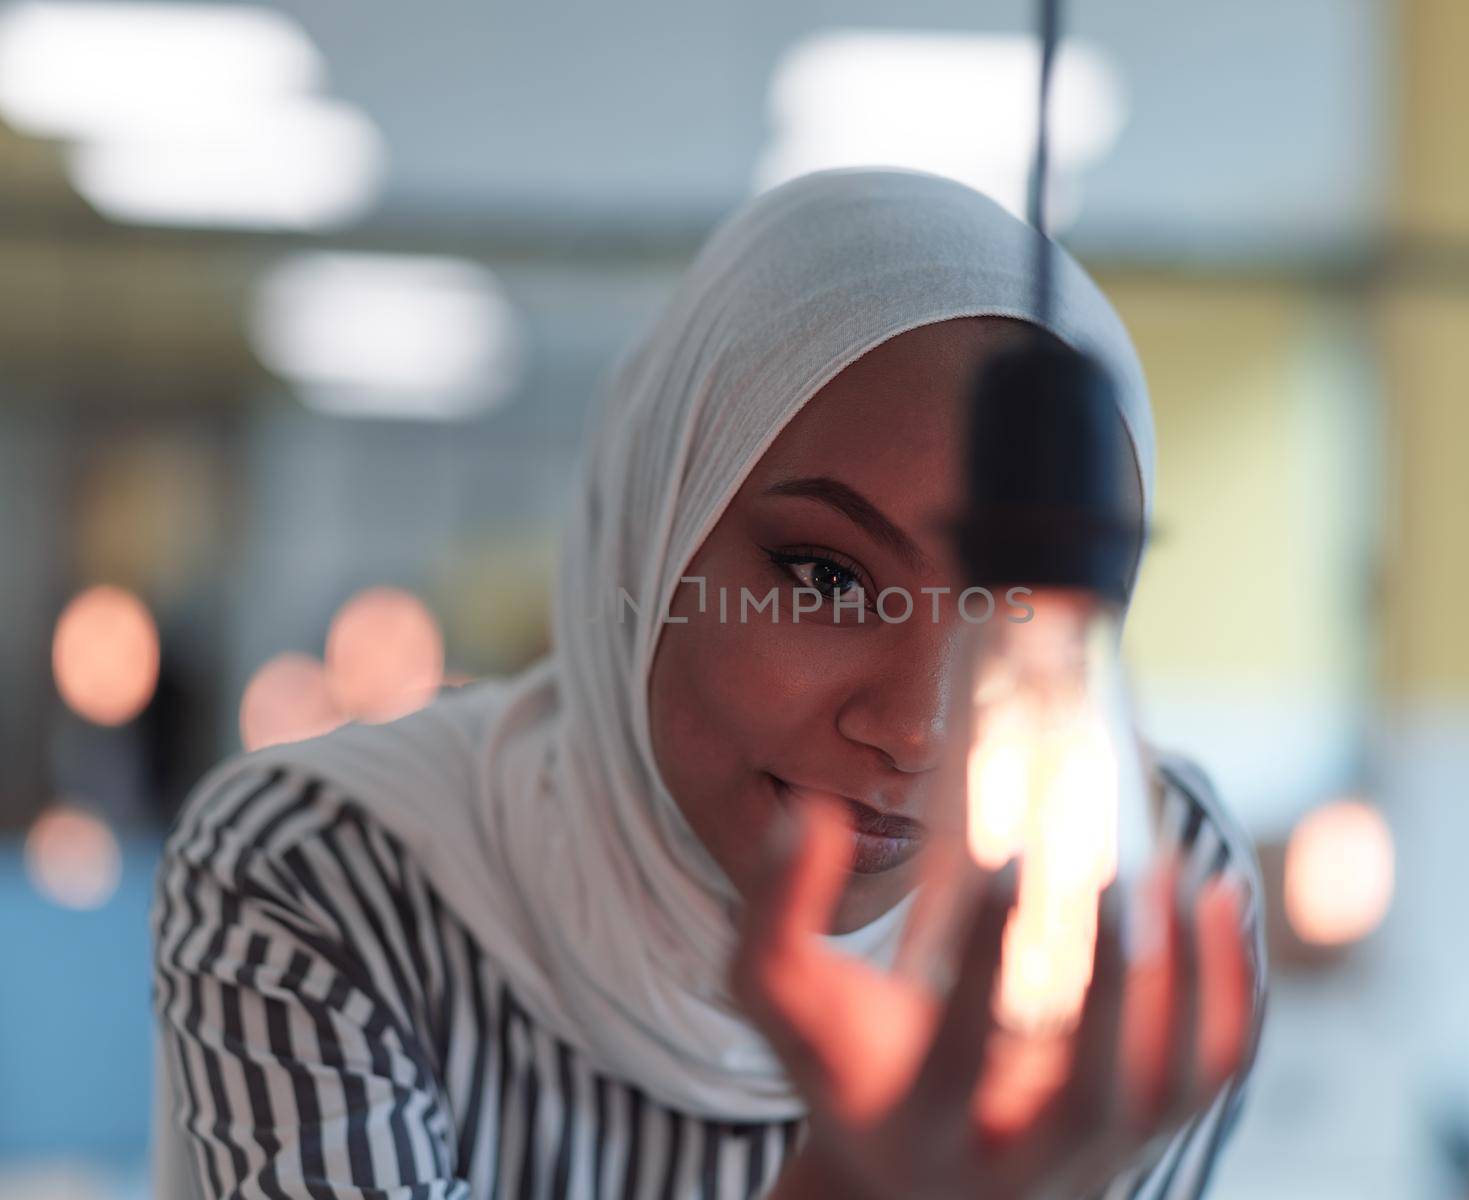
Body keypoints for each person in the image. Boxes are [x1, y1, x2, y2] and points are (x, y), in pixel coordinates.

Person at [151, 168, 1267, 1199]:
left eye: (1024, 617)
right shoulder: (329, 871)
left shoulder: (1133, 907)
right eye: (827, 575)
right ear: (652, 535)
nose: (918, 729)